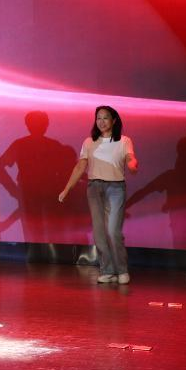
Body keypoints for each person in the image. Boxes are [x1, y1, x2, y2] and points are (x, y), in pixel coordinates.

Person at [58, 106, 138, 285]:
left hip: (116, 188)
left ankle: (122, 270)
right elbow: (80, 166)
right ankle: (107, 270)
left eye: (105, 118)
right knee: (99, 231)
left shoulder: (124, 141)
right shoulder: (89, 142)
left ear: (114, 120)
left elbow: (130, 157)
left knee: (113, 230)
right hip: (94, 188)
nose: (101, 122)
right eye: (98, 118)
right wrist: (67, 189)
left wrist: (132, 163)